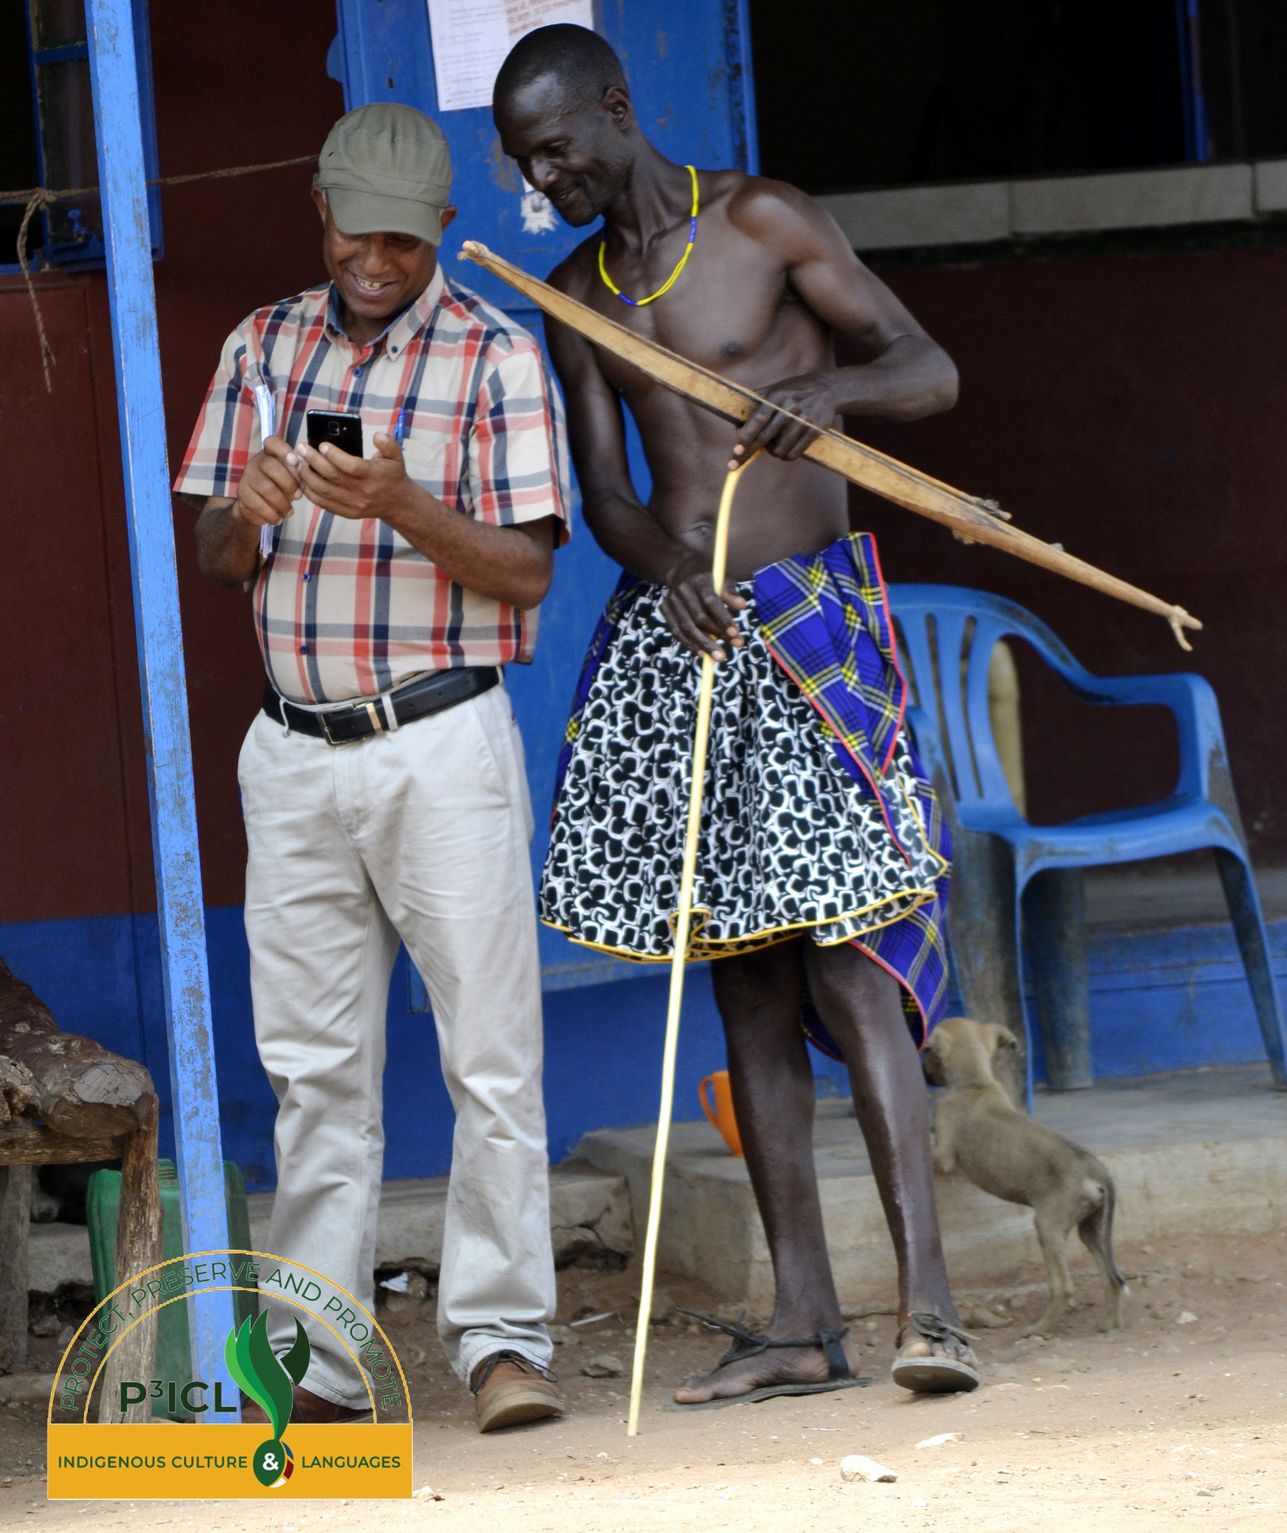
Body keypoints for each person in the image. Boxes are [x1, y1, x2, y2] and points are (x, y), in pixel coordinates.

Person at [493, 26, 980, 1405]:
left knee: (846, 968)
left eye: (557, 147)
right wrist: (665, 581)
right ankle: (800, 1323)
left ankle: (929, 1312)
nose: (545, 177)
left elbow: (929, 369)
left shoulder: (762, 220)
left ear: (619, 108)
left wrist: (831, 392)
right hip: (690, 638)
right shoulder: (572, 290)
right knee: (748, 983)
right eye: (524, 163)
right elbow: (608, 496)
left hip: (812, 622)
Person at [174, 103, 570, 1433]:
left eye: (403, 240)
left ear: (441, 230)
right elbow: (214, 557)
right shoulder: (261, 346)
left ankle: (503, 1342)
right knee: (315, 1075)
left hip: (443, 742)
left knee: (492, 1059)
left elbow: (530, 571)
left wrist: (402, 499)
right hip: (294, 751)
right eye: (357, 233)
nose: (377, 262)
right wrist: (255, 509)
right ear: (321, 210)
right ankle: (324, 1367)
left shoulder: (495, 358)